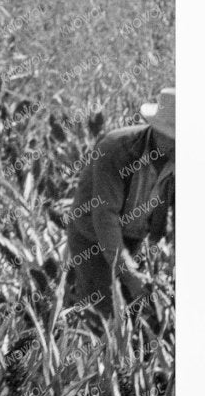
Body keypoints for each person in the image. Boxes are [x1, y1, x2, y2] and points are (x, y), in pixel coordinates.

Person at [62, 86, 174, 322]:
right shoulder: (116, 149)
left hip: (136, 235)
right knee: (103, 313)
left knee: (136, 311)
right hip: (91, 236)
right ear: (156, 130)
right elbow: (105, 216)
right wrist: (128, 272)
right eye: (173, 139)